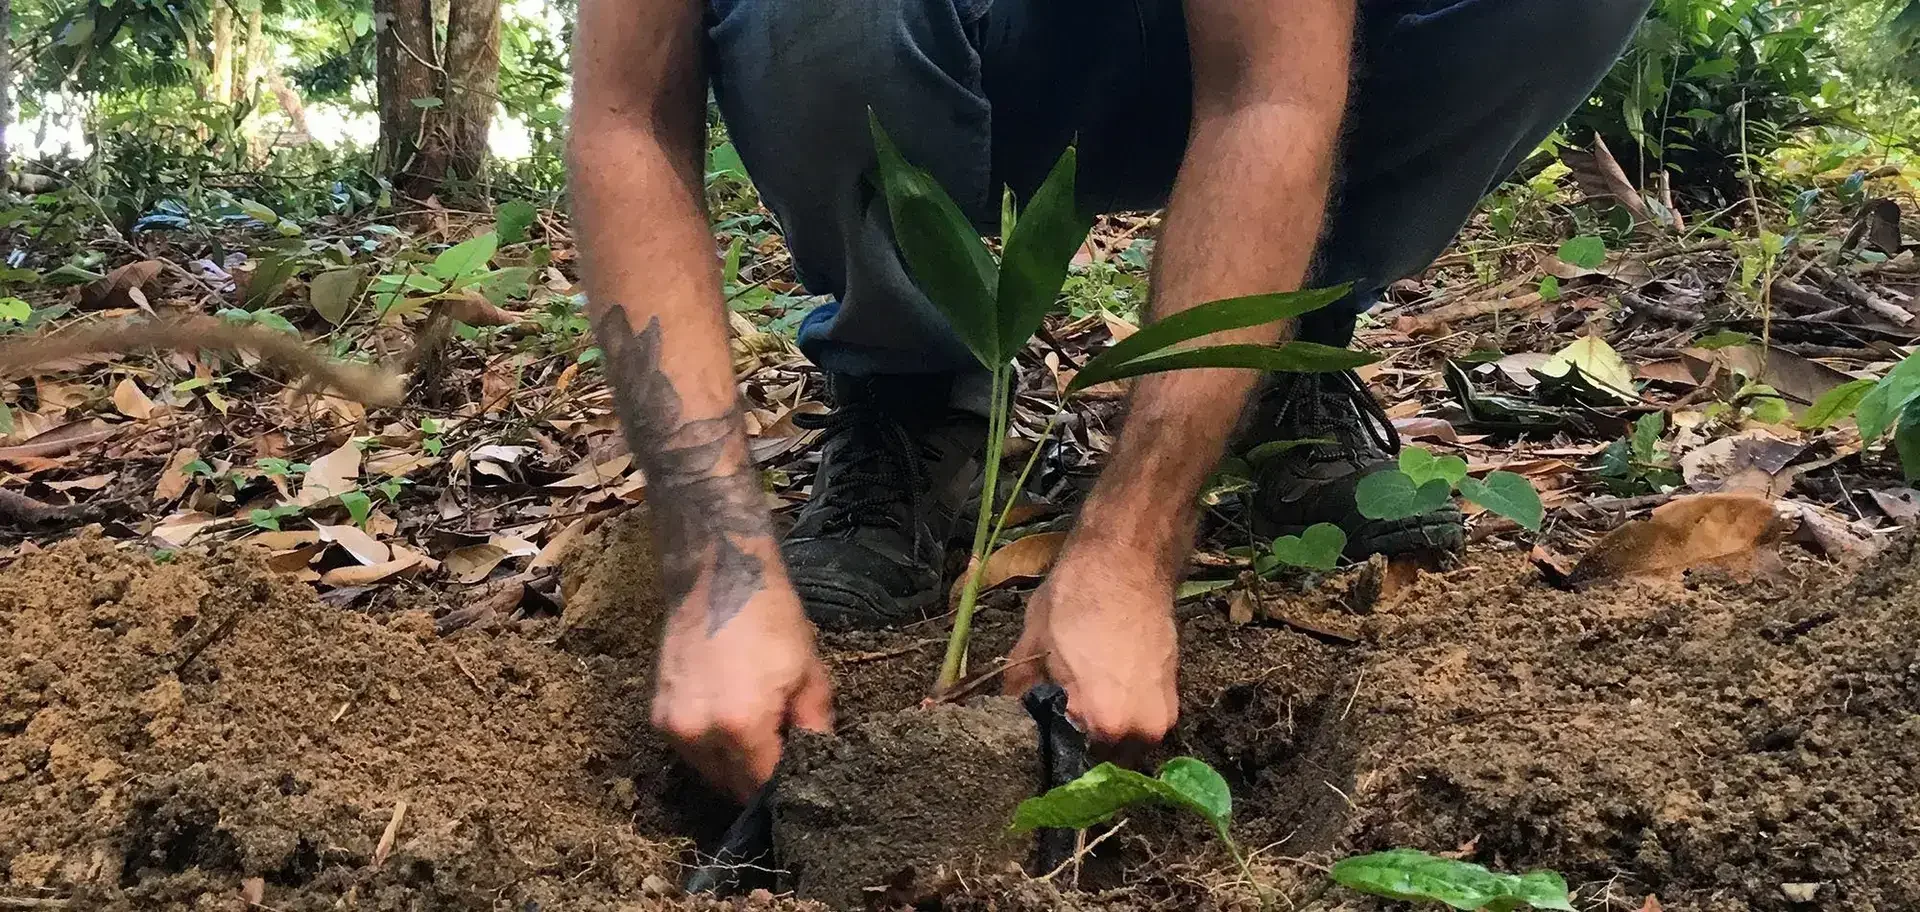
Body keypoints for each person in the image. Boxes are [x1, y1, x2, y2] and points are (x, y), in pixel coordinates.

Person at [570, 0, 1651, 800]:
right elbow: (626, 115)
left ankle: (1280, 365)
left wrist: (1134, 546)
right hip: (946, 53)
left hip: (1227, 57)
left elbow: (1272, 86)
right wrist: (715, 573)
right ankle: (905, 397)